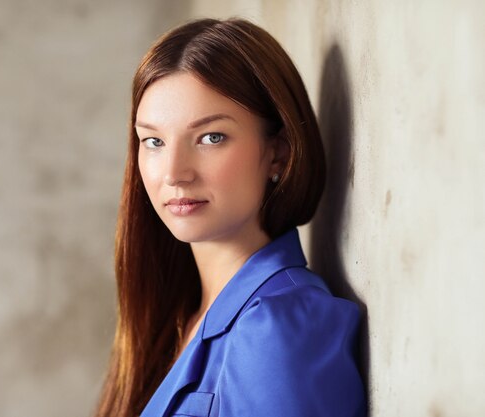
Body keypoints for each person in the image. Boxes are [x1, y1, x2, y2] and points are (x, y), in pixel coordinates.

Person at [94, 18, 366, 417]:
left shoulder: (281, 328)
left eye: (211, 137)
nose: (174, 173)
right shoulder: (169, 322)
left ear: (278, 153)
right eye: (153, 141)